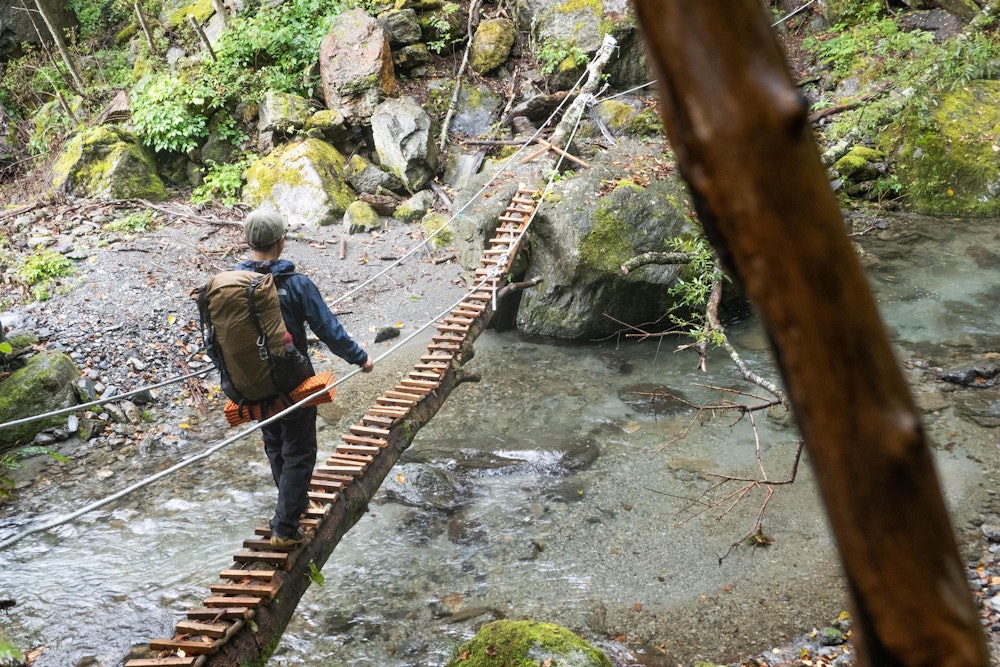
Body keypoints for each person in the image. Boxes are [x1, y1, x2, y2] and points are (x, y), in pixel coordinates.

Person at [237, 208, 375, 547]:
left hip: (252, 381)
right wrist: (360, 358)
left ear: (248, 242)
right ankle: (285, 527)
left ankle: (291, 508)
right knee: (299, 449)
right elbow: (328, 329)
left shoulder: (231, 285)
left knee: (274, 444)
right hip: (292, 379)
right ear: (281, 241)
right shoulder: (296, 285)